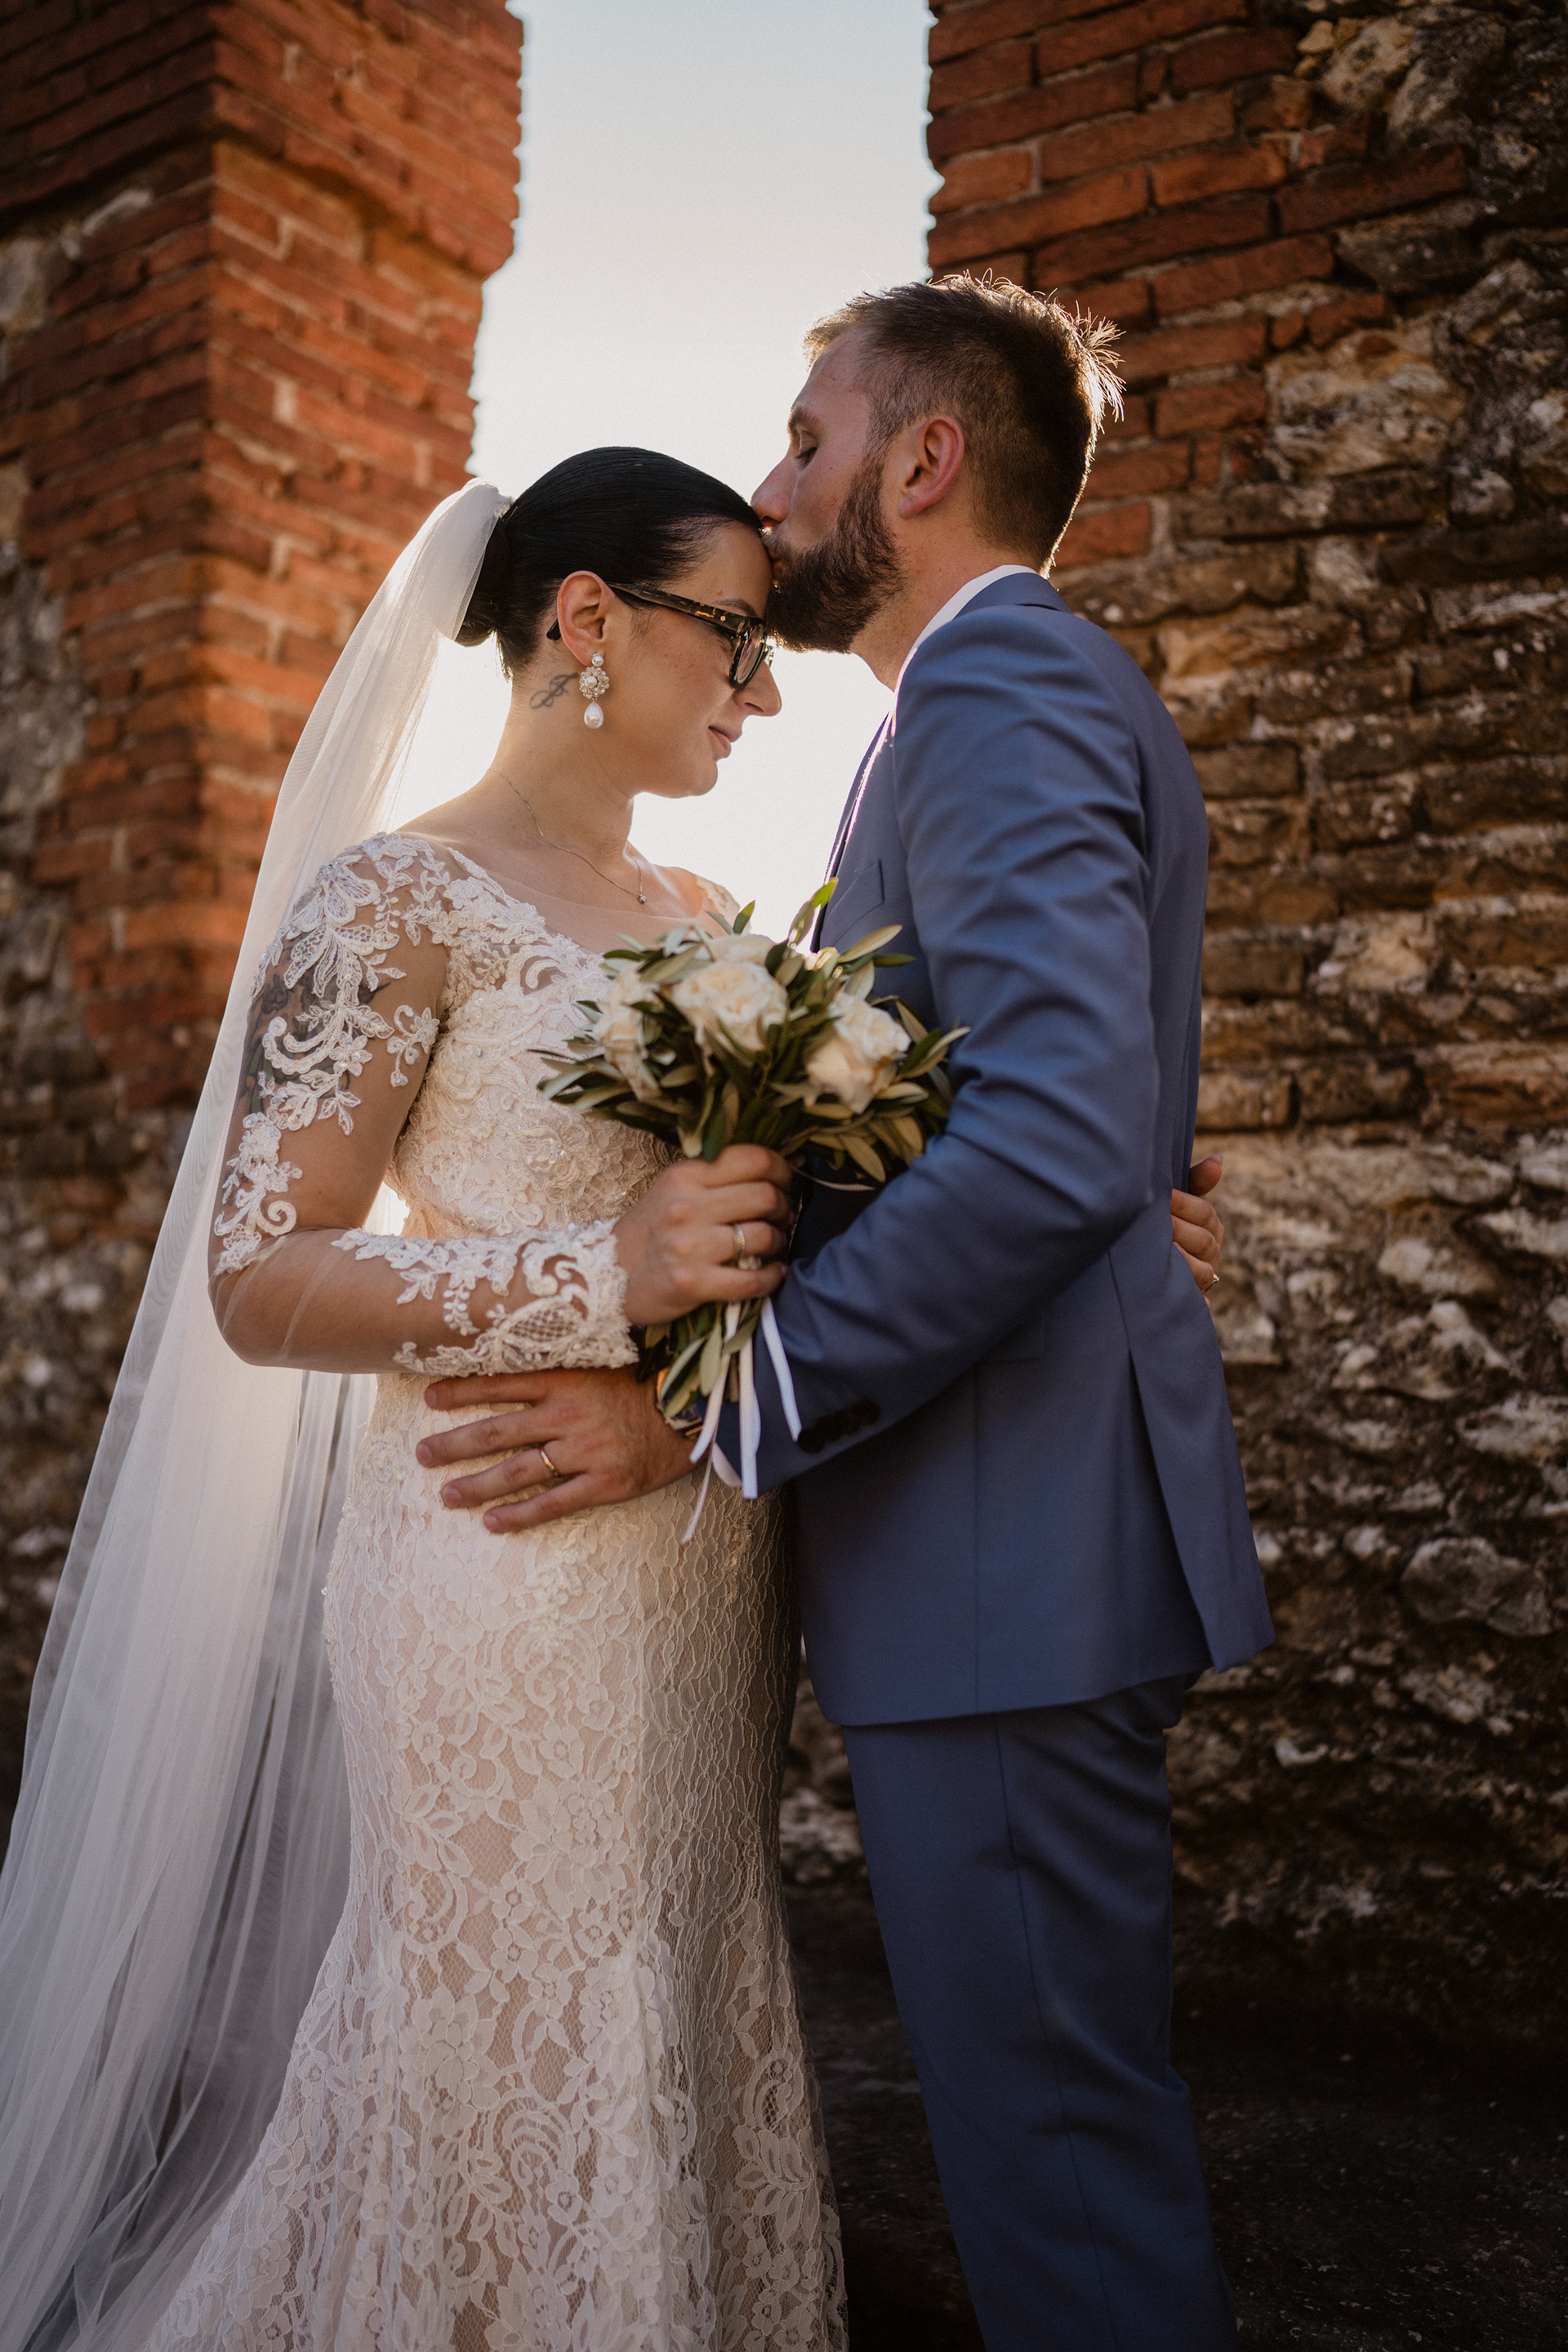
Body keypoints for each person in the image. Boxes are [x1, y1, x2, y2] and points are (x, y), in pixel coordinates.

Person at [0, 433, 1223, 2344]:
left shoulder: (718, 920)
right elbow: (262, 1277)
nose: (761, 691)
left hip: (703, 1557)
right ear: (585, 619)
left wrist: (1122, 1219)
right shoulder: (385, 905)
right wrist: (601, 1275)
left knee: (680, 1992)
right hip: (498, 1559)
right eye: (729, 638)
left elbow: (853, 1210)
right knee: (510, 2029)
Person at [420, 278, 1272, 2352]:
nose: (777, 487)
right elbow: (1048, 1119)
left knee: (1058, 2172)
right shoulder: (960, 714)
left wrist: (715, 1404)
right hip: (999, 1539)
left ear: (925, 459)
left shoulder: (1003, 694)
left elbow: (1053, 1133)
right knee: (1046, 2142)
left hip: (1005, 1550)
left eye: (811, 442)